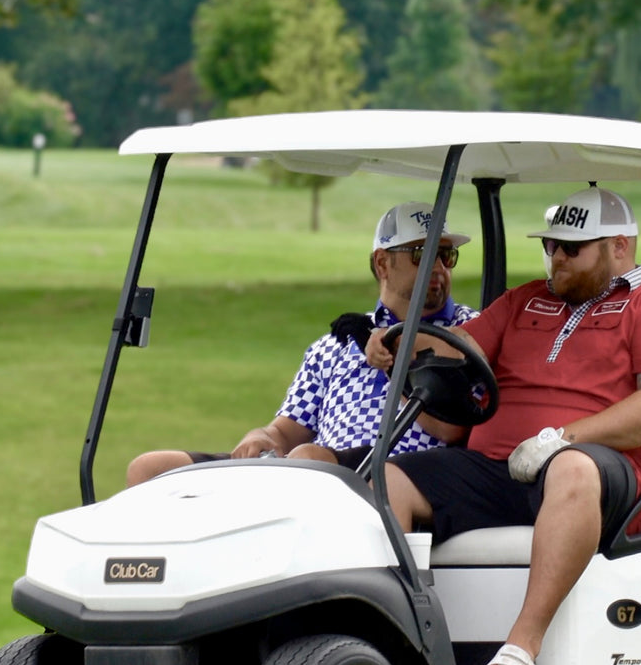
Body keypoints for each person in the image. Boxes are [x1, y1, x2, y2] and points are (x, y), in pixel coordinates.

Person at [370, 185, 641, 665]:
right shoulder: (525, 300)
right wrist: (400, 338)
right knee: (395, 479)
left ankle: (521, 647)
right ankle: (397, 647)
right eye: (550, 245)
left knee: (570, 468)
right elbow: (463, 345)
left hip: (608, 478)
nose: (555, 257)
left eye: (570, 248)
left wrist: (564, 438)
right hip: (502, 467)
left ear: (618, 248)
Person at [125, 201, 477, 486]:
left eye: (446, 256)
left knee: (309, 461)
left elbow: (453, 429)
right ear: (382, 263)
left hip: (401, 472)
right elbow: (286, 430)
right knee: (151, 468)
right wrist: (261, 436)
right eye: (422, 253)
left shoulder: (469, 329)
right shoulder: (337, 343)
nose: (439, 267)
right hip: (313, 469)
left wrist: (394, 353)